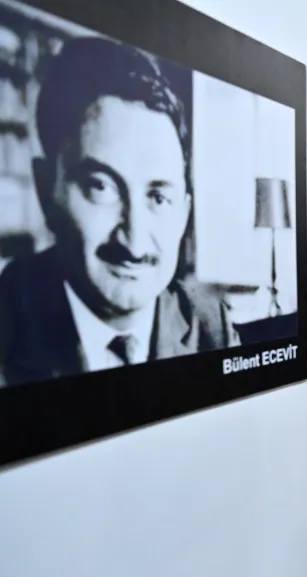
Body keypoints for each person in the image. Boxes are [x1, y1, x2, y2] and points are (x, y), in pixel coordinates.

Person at [0, 37, 238, 387]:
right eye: (102, 187)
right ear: (45, 189)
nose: (135, 239)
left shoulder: (211, 325)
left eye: (158, 197)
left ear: (184, 213)